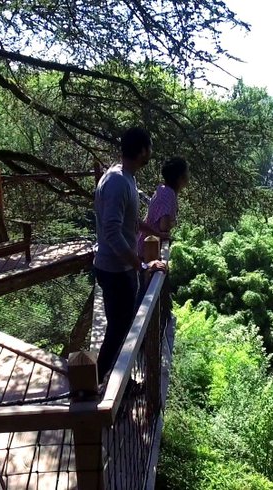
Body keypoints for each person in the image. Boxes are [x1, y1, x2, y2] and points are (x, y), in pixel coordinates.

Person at [94, 127, 166, 383]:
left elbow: (128, 221)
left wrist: (153, 230)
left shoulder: (124, 177)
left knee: (123, 328)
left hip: (120, 269)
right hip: (116, 271)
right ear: (143, 150)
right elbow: (112, 232)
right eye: (150, 148)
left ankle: (111, 381)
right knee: (118, 330)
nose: (151, 153)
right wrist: (141, 264)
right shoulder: (116, 182)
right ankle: (97, 384)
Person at [137, 156, 189, 252]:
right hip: (149, 249)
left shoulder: (162, 189)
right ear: (180, 177)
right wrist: (172, 223)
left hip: (144, 242)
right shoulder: (169, 195)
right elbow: (164, 226)